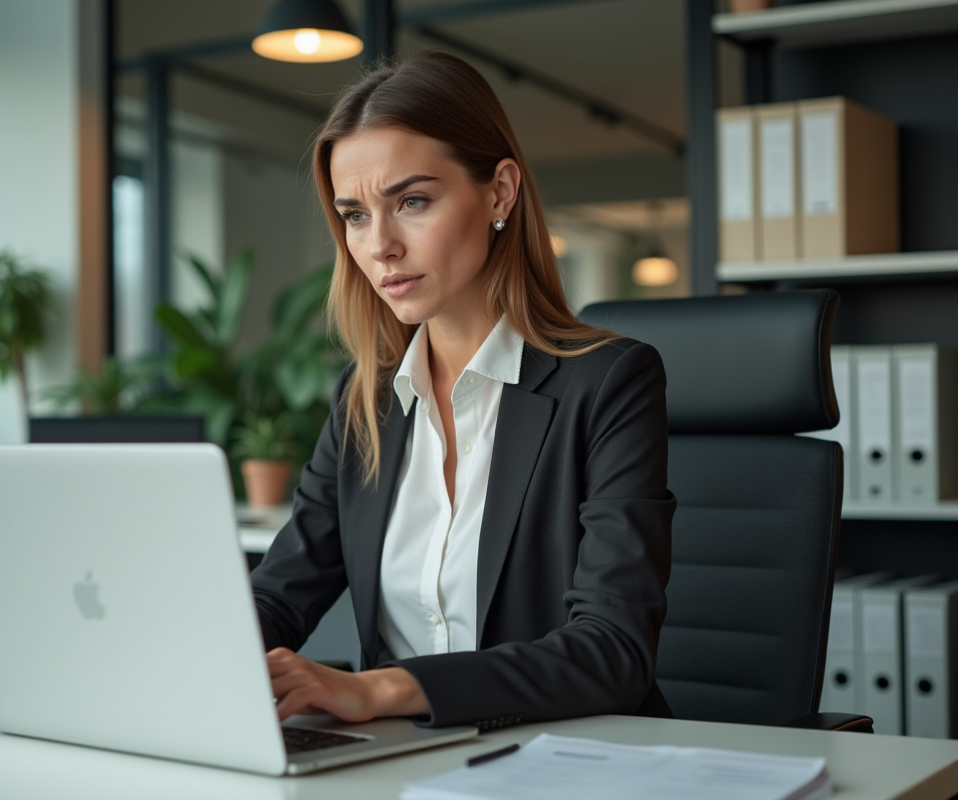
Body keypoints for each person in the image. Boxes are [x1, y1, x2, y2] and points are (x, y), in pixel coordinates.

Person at [251, 51, 675, 731]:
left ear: (500, 193)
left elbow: (613, 652)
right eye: (355, 215)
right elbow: (278, 596)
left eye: (411, 201)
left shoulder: (609, 383)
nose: (380, 245)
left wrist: (384, 690)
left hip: (557, 758)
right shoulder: (367, 401)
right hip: (399, 762)